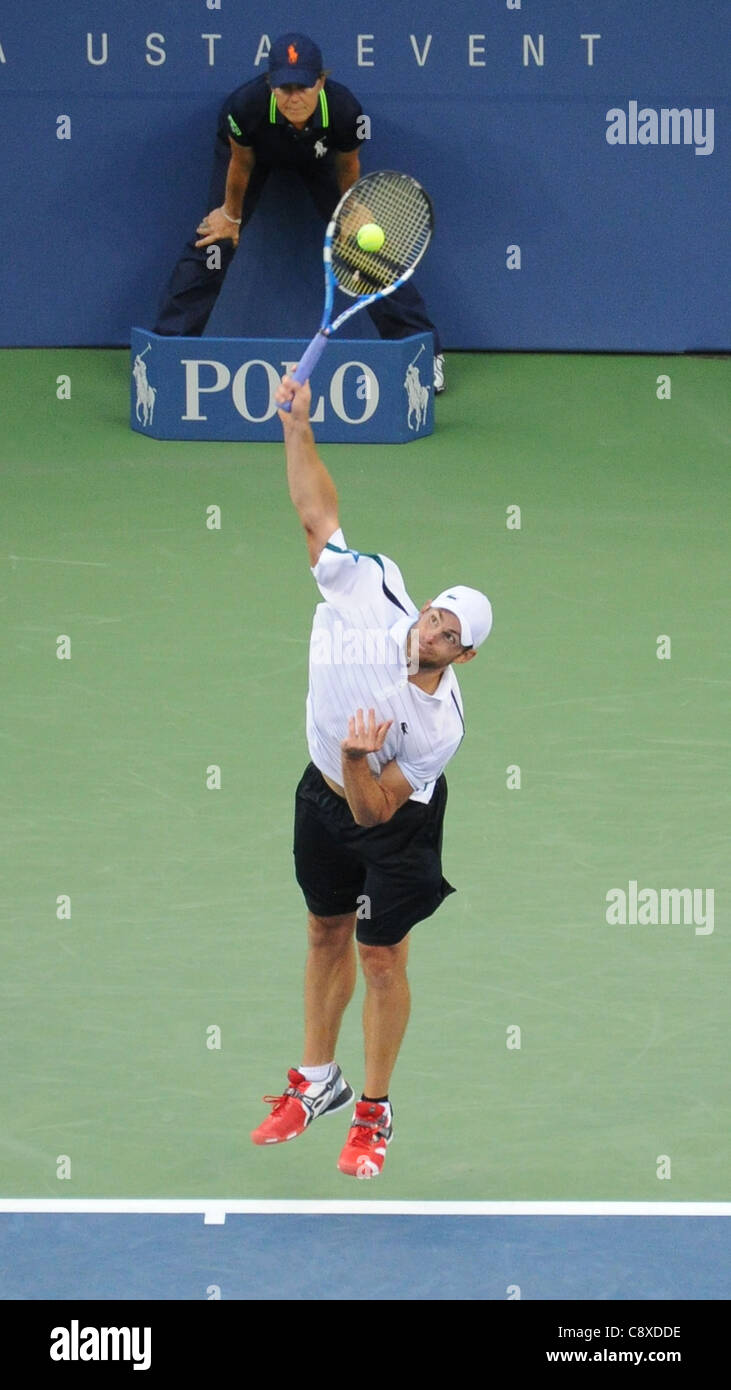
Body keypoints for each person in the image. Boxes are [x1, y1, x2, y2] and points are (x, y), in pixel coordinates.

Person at [250, 372, 492, 1177]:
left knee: (380, 956)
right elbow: (317, 515)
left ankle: (374, 1112)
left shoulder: (437, 725)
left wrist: (359, 759)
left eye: (451, 634)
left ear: (465, 655)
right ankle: (317, 1082)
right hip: (321, 790)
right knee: (324, 929)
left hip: (390, 816)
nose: (434, 631)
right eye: (435, 615)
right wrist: (296, 427)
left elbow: (381, 811)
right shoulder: (370, 589)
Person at [154, 32, 446, 393]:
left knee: (364, 247)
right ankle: (167, 352)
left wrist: (351, 209)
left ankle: (420, 353)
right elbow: (241, 162)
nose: (294, 98)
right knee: (214, 243)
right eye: (284, 88)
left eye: (303, 87)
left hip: (320, 158)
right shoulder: (244, 107)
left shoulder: (345, 111)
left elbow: (347, 163)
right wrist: (230, 216)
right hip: (254, 154)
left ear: (320, 82)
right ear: (270, 85)